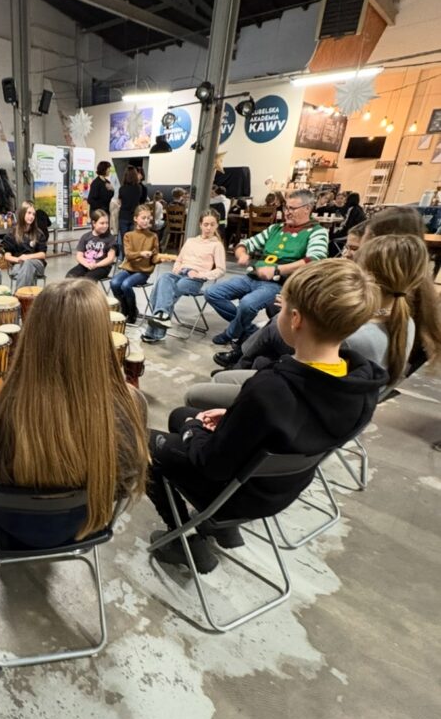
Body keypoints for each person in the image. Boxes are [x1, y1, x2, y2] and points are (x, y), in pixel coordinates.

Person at [147, 259, 387, 572]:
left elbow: (212, 464)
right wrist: (232, 417)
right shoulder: (361, 384)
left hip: (237, 492)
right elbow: (292, 425)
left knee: (140, 444)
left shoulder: (271, 390)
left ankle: (184, 541)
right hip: (278, 488)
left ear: (296, 319)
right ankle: (219, 526)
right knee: (181, 414)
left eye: (281, 307)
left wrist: (194, 429)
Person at [0, 279, 148, 549]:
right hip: (88, 528)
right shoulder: (131, 405)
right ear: (101, 337)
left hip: (14, 530)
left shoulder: (7, 406)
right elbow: (128, 478)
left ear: (33, 333)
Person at [192, 235, 437, 410]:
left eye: (355, 256)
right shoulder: (404, 321)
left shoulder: (355, 337)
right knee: (264, 345)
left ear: (368, 275)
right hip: (329, 409)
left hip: (302, 405)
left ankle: (242, 358)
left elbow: (304, 371)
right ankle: (244, 359)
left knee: (269, 333)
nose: (348, 258)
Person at [204, 189, 329, 360]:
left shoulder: (317, 231)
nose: (287, 212)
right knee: (212, 293)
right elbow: (244, 244)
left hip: (277, 283)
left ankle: (231, 333)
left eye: (292, 208)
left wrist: (277, 270)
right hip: (252, 276)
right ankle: (248, 331)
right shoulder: (275, 229)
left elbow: (315, 259)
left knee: (247, 304)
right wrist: (242, 254)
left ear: (307, 208)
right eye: (286, 207)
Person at [142, 210, 226, 343]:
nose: (208, 228)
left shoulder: (217, 245)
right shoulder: (191, 241)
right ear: (200, 225)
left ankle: (155, 330)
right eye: (206, 224)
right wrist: (176, 269)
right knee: (164, 278)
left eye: (212, 224)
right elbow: (179, 260)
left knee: (167, 291)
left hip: (195, 279)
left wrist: (200, 274)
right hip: (180, 273)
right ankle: (162, 317)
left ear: (217, 225)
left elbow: (221, 270)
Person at [111, 204, 160, 323]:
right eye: (143, 218)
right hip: (129, 268)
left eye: (148, 218)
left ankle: (132, 313)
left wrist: (158, 259)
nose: (146, 221)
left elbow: (155, 257)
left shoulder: (153, 236)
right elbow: (128, 255)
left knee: (126, 285)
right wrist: (141, 254)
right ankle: (125, 309)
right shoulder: (128, 235)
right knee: (114, 283)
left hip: (143, 271)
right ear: (135, 218)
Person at [1, 201, 47, 289]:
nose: (31, 216)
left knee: (28, 264)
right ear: (22, 214)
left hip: (37, 264)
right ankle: (28, 295)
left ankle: (19, 294)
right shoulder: (12, 234)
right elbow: (7, 256)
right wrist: (18, 259)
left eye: (33, 214)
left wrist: (27, 257)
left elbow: (42, 254)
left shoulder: (38, 233)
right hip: (18, 264)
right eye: (29, 213)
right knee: (26, 270)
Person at [65, 209, 117, 281]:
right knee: (70, 276)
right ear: (94, 223)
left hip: (102, 267)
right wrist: (86, 264)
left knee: (87, 279)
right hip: (86, 264)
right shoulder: (85, 237)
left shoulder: (110, 238)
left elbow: (110, 258)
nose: (105, 226)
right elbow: (79, 255)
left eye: (107, 223)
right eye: (102, 223)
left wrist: (96, 265)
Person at [117, 167, 144, 242]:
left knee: (124, 240)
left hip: (123, 216)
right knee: (133, 240)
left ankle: (124, 250)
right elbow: (140, 200)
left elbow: (119, 202)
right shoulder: (139, 188)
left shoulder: (122, 188)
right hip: (134, 216)